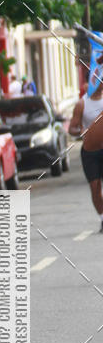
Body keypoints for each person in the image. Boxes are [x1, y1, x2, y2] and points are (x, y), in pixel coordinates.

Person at [75, 81, 103, 232]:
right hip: (90, 151)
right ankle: (102, 218)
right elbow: (72, 127)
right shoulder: (82, 104)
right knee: (95, 187)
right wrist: (81, 132)